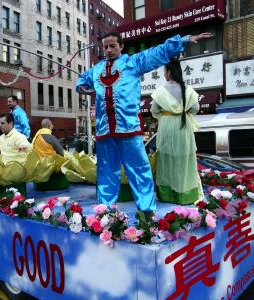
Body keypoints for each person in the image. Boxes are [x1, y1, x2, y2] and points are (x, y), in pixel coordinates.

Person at [76, 31, 212, 212]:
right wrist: (82, 88)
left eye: (112, 46)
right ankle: (104, 213)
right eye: (105, 47)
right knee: (106, 174)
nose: (108, 50)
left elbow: (157, 52)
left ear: (121, 46)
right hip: (104, 132)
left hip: (129, 130)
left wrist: (185, 39)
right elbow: (82, 81)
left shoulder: (133, 63)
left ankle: (147, 212)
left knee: (139, 171)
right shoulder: (96, 70)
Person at [150, 58, 202, 204]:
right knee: (185, 161)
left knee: (166, 160)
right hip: (184, 126)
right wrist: (182, 110)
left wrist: (165, 115)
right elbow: (195, 109)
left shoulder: (160, 92)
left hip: (167, 127)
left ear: (168, 72)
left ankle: (168, 195)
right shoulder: (189, 90)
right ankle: (185, 195)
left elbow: (154, 110)